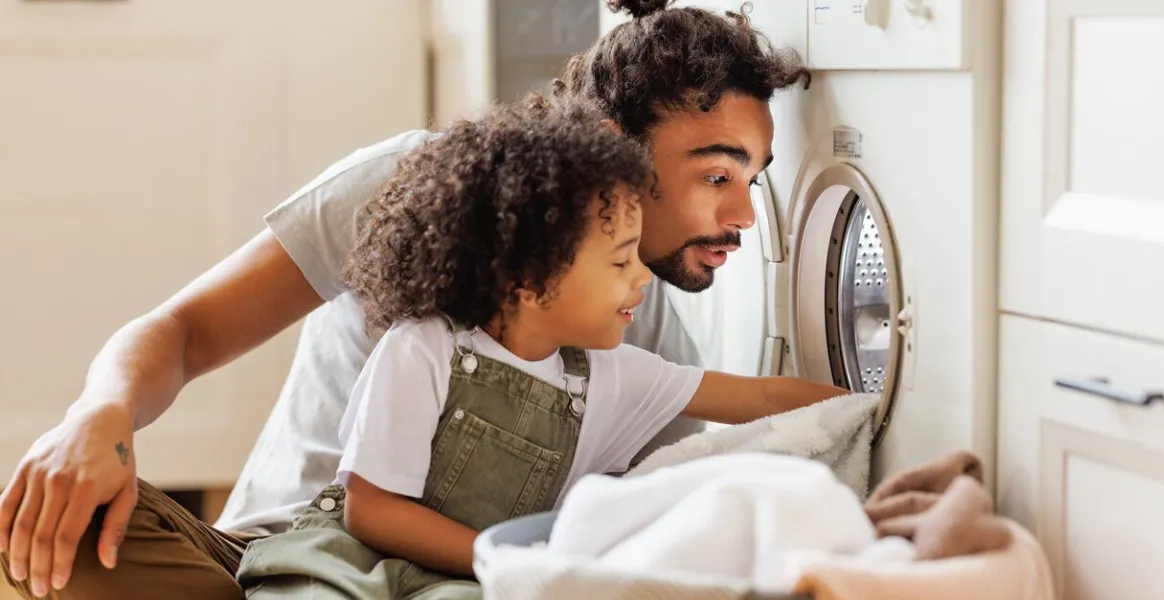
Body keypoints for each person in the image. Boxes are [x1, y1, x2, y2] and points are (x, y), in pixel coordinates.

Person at [0, 1, 815, 598]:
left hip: (449, 586)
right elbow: (185, 331)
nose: (743, 216)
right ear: (614, 146)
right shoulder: (423, 188)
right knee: (49, 528)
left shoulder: (641, 340)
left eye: (753, 181)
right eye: (716, 173)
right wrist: (99, 414)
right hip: (279, 559)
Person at [234, 94, 847, 600]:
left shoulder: (609, 372)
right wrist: (503, 557)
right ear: (529, 278)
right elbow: (371, 511)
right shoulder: (423, 350)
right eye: (620, 261)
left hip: (464, 582)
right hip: (353, 562)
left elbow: (760, 397)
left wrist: (867, 407)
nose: (642, 277)